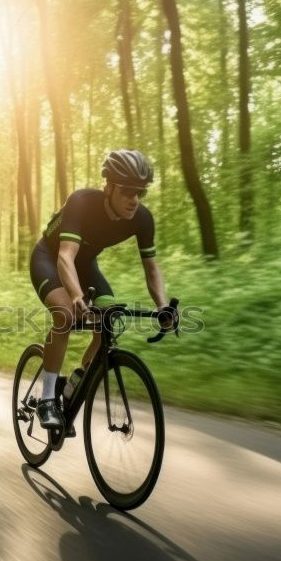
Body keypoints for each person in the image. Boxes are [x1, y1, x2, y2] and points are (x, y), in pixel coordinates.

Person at [28, 149, 176, 430]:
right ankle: (47, 398)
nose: (134, 200)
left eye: (140, 193)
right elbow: (65, 256)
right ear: (108, 187)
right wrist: (75, 296)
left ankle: (74, 384)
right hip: (49, 257)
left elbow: (152, 267)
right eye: (127, 191)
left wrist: (162, 306)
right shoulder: (82, 202)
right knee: (65, 315)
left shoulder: (142, 219)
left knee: (110, 319)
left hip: (85, 264)